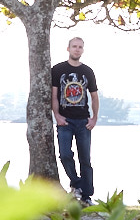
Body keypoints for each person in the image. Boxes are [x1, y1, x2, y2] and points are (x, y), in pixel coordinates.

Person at [51, 37, 99, 205]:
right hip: (65, 121)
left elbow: (94, 97)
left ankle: (86, 196)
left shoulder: (88, 71)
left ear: (83, 50)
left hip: (83, 122)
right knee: (65, 155)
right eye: (74, 47)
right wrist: (56, 115)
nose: (77, 49)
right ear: (68, 48)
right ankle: (77, 184)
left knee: (85, 159)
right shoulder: (57, 70)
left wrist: (94, 118)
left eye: (80, 47)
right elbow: (54, 95)